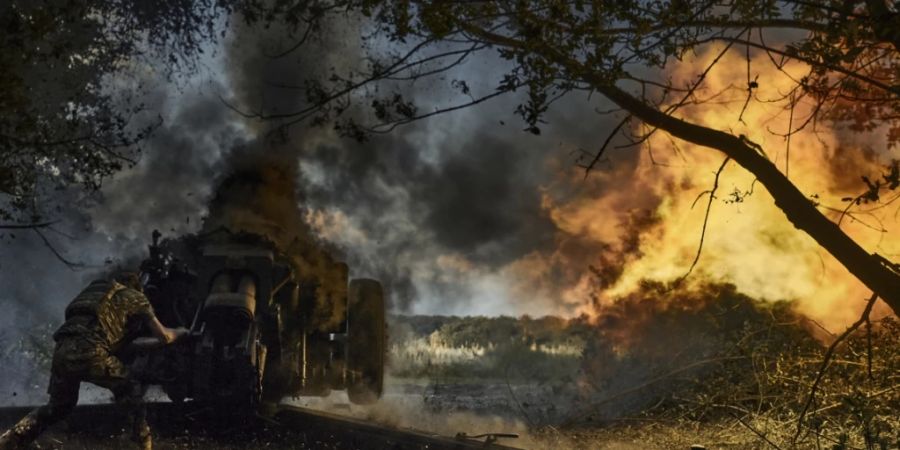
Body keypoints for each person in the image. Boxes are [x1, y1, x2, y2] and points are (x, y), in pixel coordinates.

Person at [0, 272, 188, 450]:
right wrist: (181, 332)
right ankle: (142, 445)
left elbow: (120, 344)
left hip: (62, 350)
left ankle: (10, 441)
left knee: (57, 407)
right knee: (131, 391)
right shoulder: (135, 297)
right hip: (92, 352)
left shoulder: (94, 298)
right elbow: (164, 337)